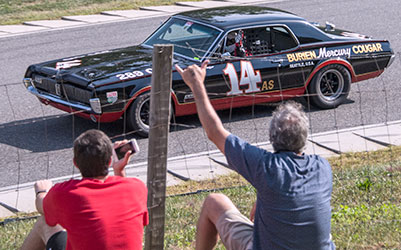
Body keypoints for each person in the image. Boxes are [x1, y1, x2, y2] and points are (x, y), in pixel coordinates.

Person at [175, 61, 335, 250]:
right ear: (304, 136)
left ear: (272, 137)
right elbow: (292, 192)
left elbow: (214, 131)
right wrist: (262, 199)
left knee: (214, 202)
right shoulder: (322, 168)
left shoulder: (265, 167)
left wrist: (196, 84)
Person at [21, 129, 148, 250]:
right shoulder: (137, 187)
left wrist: (41, 191)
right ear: (109, 161)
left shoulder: (65, 193)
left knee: (45, 222)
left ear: (75, 163)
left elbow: (41, 206)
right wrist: (119, 170)